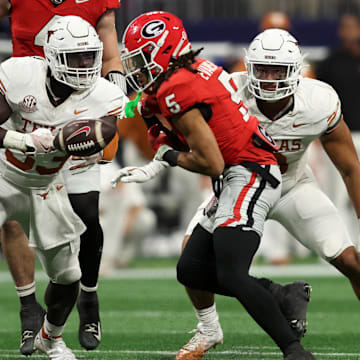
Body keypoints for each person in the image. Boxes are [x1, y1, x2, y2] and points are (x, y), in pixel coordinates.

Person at [118, 27, 360, 359]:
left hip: (291, 185)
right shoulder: (228, 88)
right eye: (262, 69)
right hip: (238, 180)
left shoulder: (318, 102)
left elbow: (349, 166)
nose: (271, 79)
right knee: (191, 261)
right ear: (248, 67)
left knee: (351, 261)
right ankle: (208, 329)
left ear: (297, 72)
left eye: (279, 71)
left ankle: (284, 334)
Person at [0, 0, 126, 354]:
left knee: (71, 269)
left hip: (47, 183)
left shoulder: (103, 94)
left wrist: (68, 141)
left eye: (91, 58)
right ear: (53, 57)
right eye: (78, 59)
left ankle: (54, 334)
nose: (87, 67)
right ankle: (28, 309)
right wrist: (22, 139)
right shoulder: (19, 73)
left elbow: (108, 141)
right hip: (6, 170)